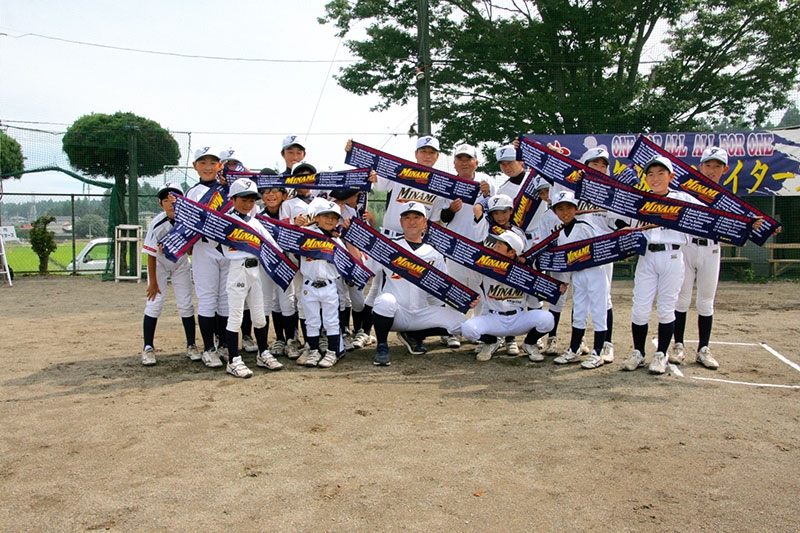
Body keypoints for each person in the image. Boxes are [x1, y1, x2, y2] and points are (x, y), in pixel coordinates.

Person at [349, 202, 472, 366]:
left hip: (420, 313)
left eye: (416, 217)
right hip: (396, 314)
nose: (411, 221)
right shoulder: (389, 247)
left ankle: (416, 335)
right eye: (407, 218)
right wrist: (349, 237)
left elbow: (442, 288)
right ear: (401, 222)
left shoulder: (433, 253)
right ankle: (382, 346)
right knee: (384, 300)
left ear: (424, 222)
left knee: (462, 323)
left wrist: (466, 299)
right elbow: (364, 268)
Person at [618, 156, 699, 375]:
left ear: (671, 176)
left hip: (672, 255)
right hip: (647, 256)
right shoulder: (641, 200)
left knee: (666, 307)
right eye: (650, 174)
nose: (655, 178)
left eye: (660, 173)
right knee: (640, 307)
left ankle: (661, 353)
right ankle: (638, 352)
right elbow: (626, 224)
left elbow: (709, 216)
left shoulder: (682, 199)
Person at [670, 147, 729, 369]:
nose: (711, 171)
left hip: (711, 249)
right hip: (687, 248)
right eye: (708, 165)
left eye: (717, 166)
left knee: (706, 300)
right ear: (699, 167)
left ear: (725, 169)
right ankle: (679, 345)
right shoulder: (685, 192)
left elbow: (744, 223)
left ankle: (703, 348)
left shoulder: (727, 200)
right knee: (682, 298)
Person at [430, 143, 493, 347]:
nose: (464, 163)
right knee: (454, 288)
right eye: (460, 159)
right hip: (454, 246)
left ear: (476, 162)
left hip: (479, 246)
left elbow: (497, 212)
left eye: (468, 159)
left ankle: (479, 329)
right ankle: (453, 330)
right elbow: (440, 217)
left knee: (479, 291)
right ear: (454, 163)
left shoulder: (486, 182)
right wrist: (451, 209)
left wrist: (487, 195)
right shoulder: (448, 185)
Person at [459, 230, 554, 361]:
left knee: (548, 319)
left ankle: (529, 343)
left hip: (519, 318)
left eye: (499, 246)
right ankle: (491, 342)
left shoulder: (524, 272)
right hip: (494, 318)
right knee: (467, 328)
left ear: (512, 252)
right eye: (495, 244)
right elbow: (469, 270)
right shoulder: (485, 268)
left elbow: (534, 303)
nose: (494, 248)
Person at [222, 178, 284, 378]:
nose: (248, 204)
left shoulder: (254, 222)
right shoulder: (224, 220)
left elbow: (272, 244)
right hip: (238, 270)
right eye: (243, 199)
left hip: (255, 271)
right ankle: (233, 360)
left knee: (259, 315)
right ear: (232, 198)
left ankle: (263, 352)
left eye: (251, 200)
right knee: (236, 316)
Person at [548, 191, 610, 369]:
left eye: (569, 207)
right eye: (560, 209)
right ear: (555, 212)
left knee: (598, 312)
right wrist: (565, 280)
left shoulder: (585, 226)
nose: (565, 212)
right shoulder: (561, 233)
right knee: (579, 312)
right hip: (577, 275)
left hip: (594, 272)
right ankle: (574, 349)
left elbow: (601, 247)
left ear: (576, 209)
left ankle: (598, 351)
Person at [140, 183, 198, 366]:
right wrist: (153, 282)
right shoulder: (157, 224)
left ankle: (191, 345)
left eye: (174, 199)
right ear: (161, 204)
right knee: (154, 303)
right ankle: (148, 347)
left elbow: (190, 250)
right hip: (159, 264)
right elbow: (150, 254)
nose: (171, 203)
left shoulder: (188, 221)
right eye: (166, 200)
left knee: (186, 304)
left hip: (180, 263)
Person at [184, 147, 229, 368]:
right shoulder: (192, 193)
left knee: (224, 298)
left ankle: (223, 344)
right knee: (208, 299)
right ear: (195, 167)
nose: (208, 167)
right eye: (203, 163)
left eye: (213, 162)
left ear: (221, 165)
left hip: (227, 248)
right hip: (203, 248)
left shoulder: (228, 189)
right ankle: (208, 348)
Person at [472, 193, 528, 356]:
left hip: (511, 275)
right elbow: (477, 211)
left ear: (511, 211)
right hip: (489, 275)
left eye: (504, 212)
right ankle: (491, 340)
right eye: (495, 213)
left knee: (511, 304)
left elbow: (523, 254)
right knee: (488, 307)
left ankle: (510, 339)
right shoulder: (485, 228)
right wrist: (485, 197)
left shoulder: (517, 231)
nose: (500, 216)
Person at [296, 200, 347, 368]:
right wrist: (301, 225)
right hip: (309, 285)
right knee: (312, 321)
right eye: (326, 216)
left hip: (329, 285)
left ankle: (333, 352)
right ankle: (314, 350)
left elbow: (346, 263)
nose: (330, 220)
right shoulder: (306, 234)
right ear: (317, 217)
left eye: (334, 217)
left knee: (331, 320)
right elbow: (290, 241)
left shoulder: (337, 241)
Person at [578, 147, 617, 364]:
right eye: (595, 164)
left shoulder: (611, 193)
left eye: (603, 165)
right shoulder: (577, 189)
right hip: (578, 251)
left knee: (604, 298)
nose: (600, 168)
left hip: (603, 250)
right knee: (581, 297)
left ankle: (606, 344)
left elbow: (617, 221)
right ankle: (580, 340)